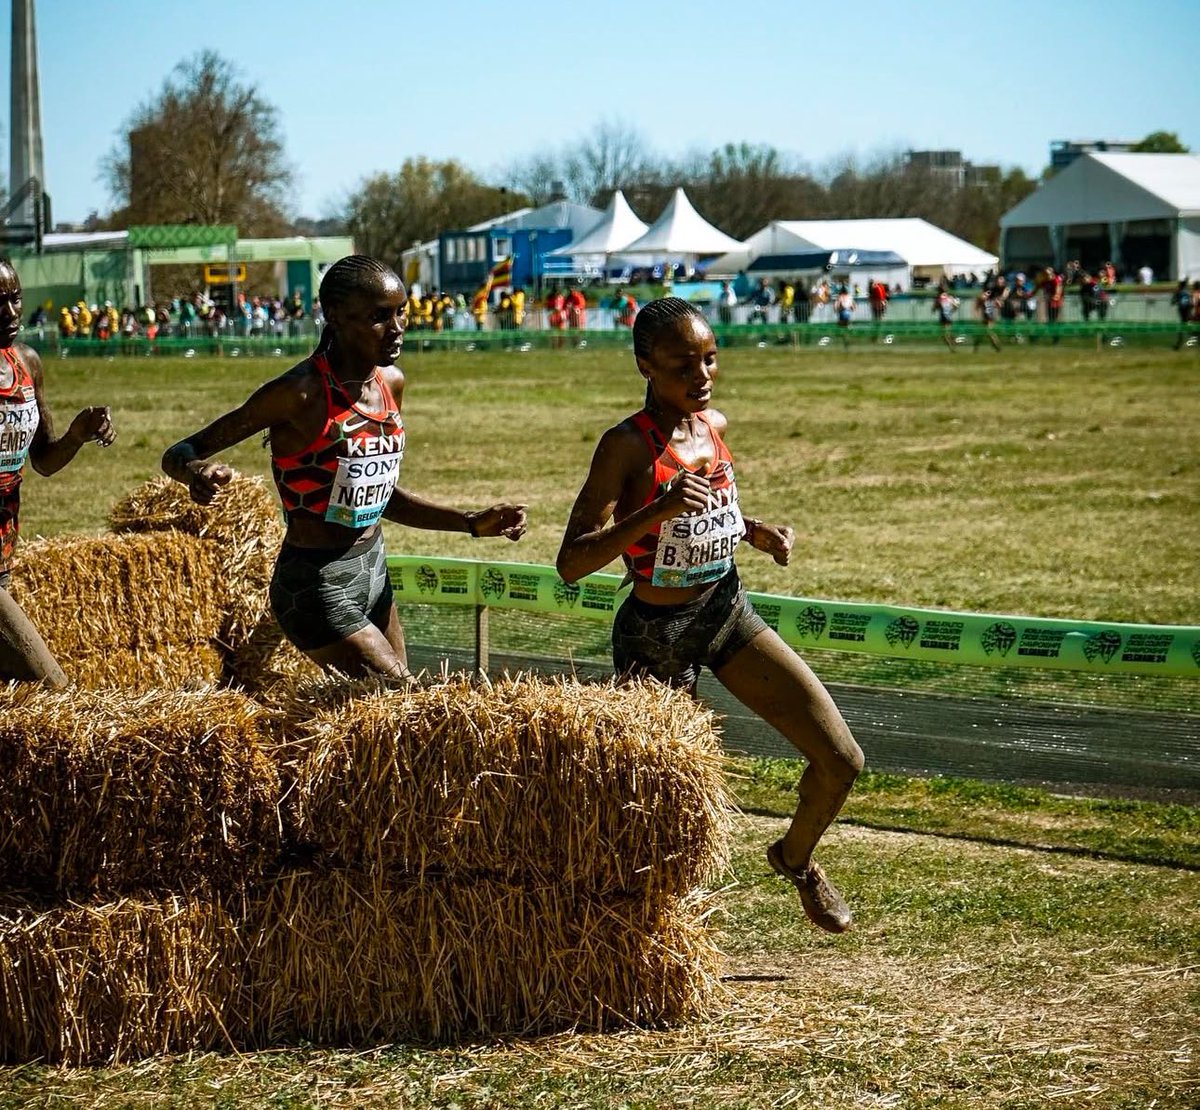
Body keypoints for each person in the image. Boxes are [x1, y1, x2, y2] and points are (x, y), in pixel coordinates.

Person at [556, 297, 863, 933]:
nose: (701, 375)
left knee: (841, 761)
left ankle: (796, 860)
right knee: (662, 808)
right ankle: (644, 930)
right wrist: (653, 512)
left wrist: (753, 532)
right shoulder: (624, 446)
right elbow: (571, 562)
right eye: (681, 364)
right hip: (655, 638)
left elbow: (710, 510)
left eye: (710, 358)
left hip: (727, 612)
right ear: (644, 365)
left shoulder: (712, 424)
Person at [162, 255, 527, 681]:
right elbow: (180, 451)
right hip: (314, 584)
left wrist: (470, 523)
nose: (397, 328)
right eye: (379, 317)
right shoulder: (299, 394)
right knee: (404, 700)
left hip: (373, 567)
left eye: (401, 312)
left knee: (386, 730)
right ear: (334, 316)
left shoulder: (391, 383)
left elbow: (379, 498)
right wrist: (196, 473)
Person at [0, 258, 116, 685]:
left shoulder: (26, 364)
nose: (10, 313)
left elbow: (44, 460)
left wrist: (76, 435)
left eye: (15, 299)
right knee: (51, 685)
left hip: (5, 547)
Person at [933, 282, 959, 350]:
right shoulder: (948, 297)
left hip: (945, 318)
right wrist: (952, 310)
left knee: (945, 335)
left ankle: (952, 347)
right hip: (946, 317)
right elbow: (956, 306)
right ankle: (955, 342)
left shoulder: (941, 298)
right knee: (947, 334)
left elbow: (935, 307)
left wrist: (935, 308)